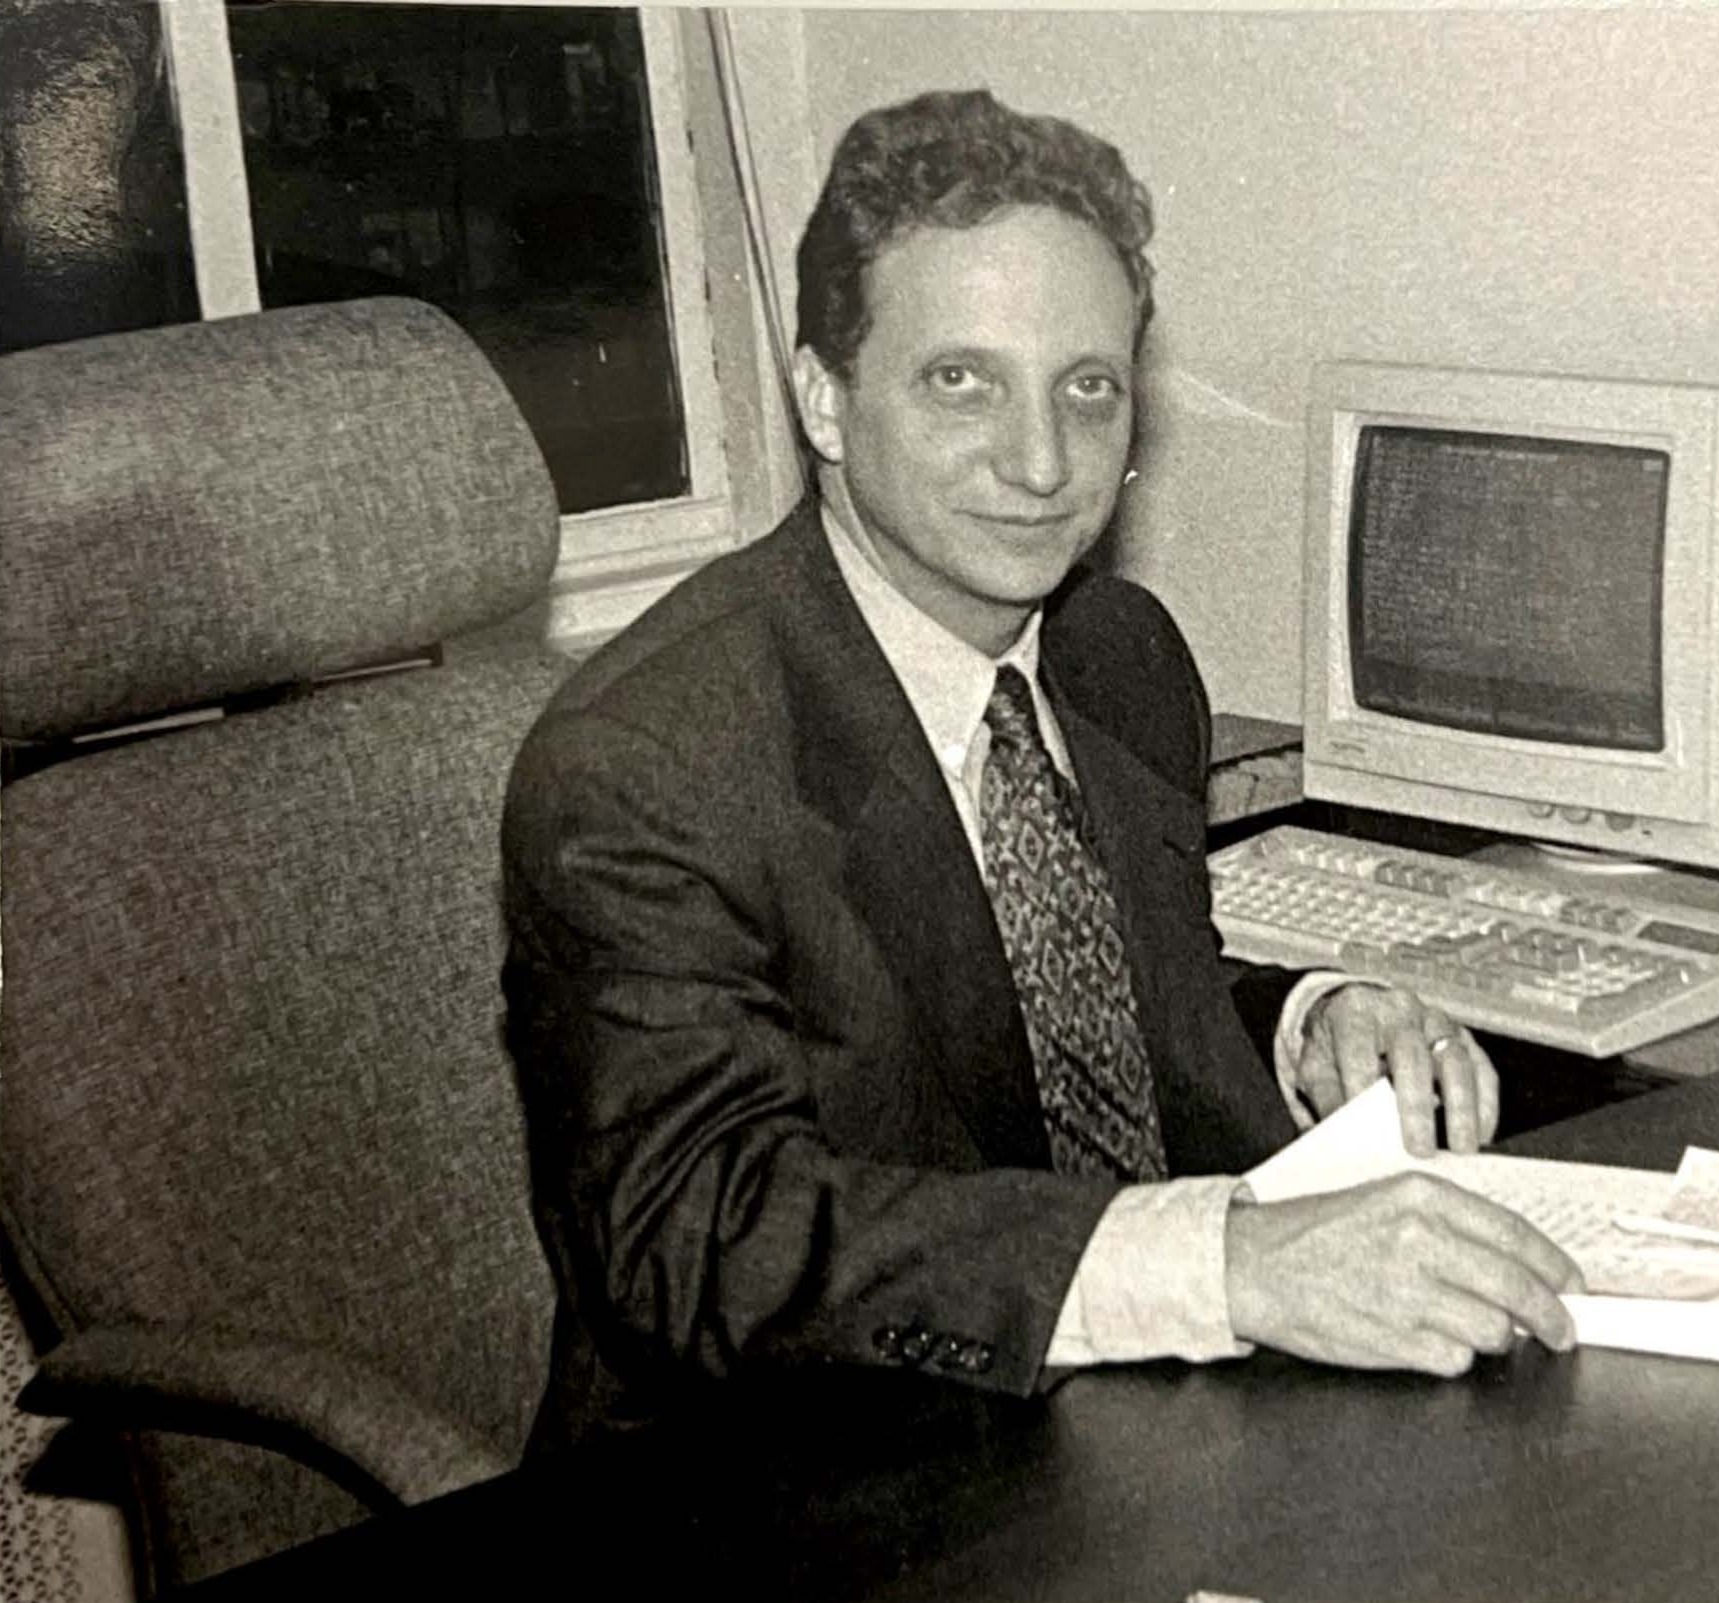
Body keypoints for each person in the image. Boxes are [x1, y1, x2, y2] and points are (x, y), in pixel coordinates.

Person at [501, 88, 1581, 1457]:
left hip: (1099, 1434)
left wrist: (1310, 1024)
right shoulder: (648, 764)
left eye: (1090, 388)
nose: (1042, 461)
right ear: (823, 401)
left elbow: (1084, 1020)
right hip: (785, 1478)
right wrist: (1229, 1266)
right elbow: (697, 1240)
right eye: (962, 381)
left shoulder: (1118, 655)